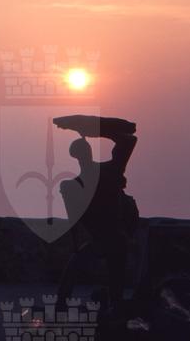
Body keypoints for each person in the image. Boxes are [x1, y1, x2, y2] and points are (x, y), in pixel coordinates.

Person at [56, 115, 138, 307]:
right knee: (100, 269)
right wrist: (97, 129)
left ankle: (63, 302)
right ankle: (111, 303)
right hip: (110, 237)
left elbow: (74, 221)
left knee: (81, 266)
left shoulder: (75, 184)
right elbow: (128, 140)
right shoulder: (109, 171)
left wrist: (90, 127)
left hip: (110, 237)